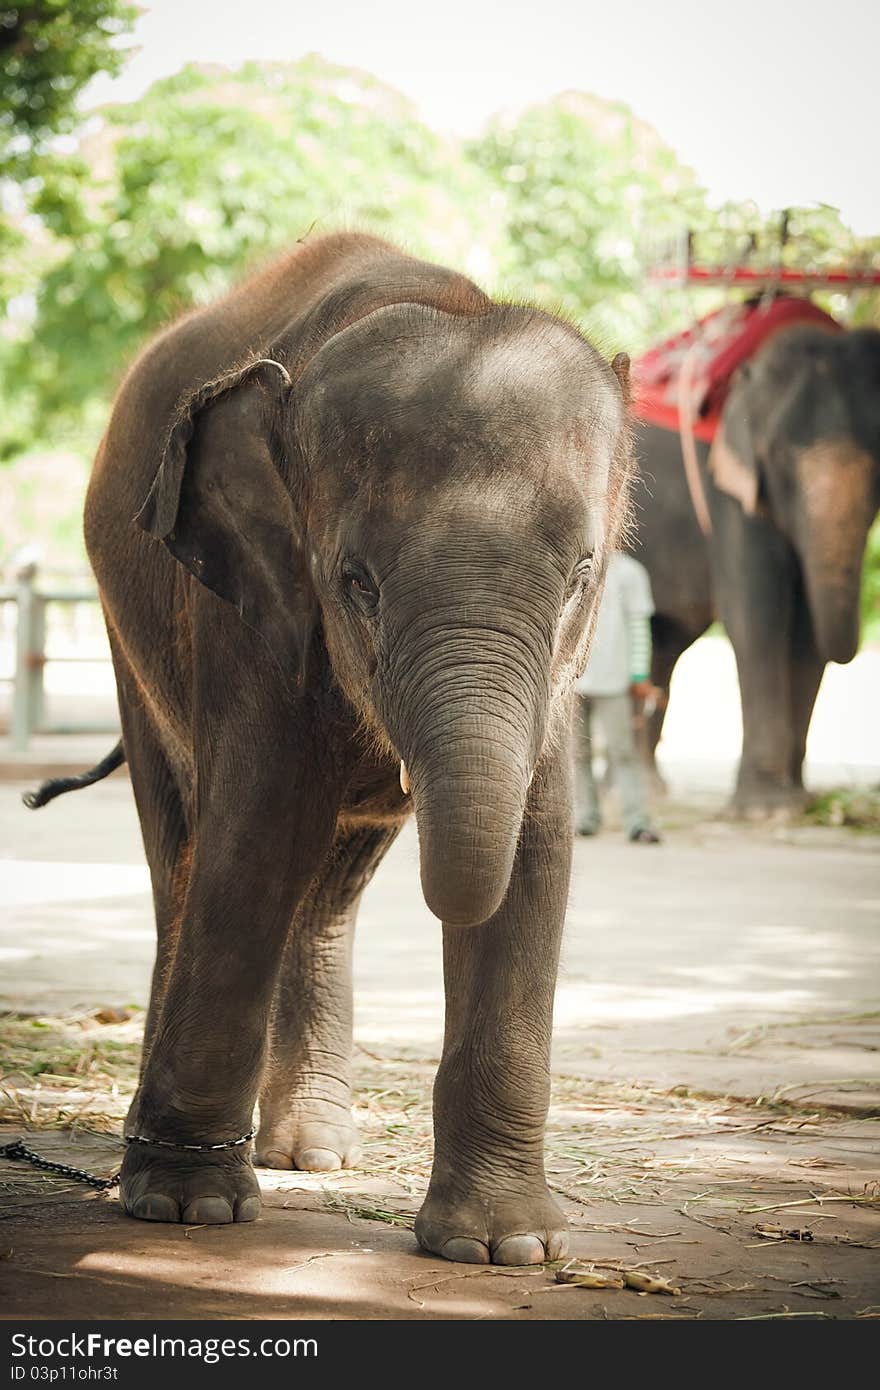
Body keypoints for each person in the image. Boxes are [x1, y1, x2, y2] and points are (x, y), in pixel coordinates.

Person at [573, 551, 661, 843]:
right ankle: (585, 816)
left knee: (623, 751)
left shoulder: (629, 572)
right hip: (572, 682)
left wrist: (639, 675)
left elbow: (639, 627)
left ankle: (636, 820)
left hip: (614, 680)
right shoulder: (570, 565)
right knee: (577, 754)